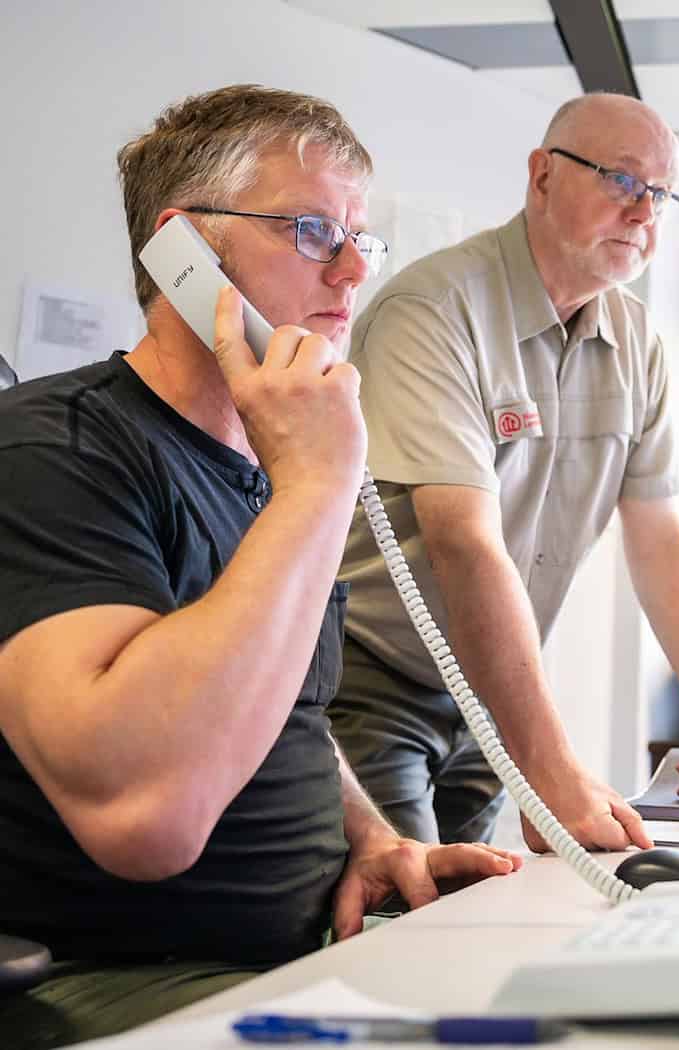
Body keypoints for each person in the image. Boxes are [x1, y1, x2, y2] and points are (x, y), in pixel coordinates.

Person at [0, 85, 521, 1048]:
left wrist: (366, 836)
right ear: (182, 249)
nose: (357, 269)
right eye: (315, 230)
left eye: (364, 237)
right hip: (112, 985)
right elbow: (144, 819)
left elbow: (283, 707)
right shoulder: (52, 450)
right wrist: (319, 489)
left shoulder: (264, 467)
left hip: (302, 947)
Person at [332, 93, 679, 854]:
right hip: (377, 678)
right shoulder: (433, 310)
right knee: (401, 922)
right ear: (542, 177)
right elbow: (463, 543)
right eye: (624, 182)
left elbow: (661, 539)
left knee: (474, 913)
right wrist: (552, 768)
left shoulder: (638, 343)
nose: (643, 213)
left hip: (497, 684)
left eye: (660, 195)